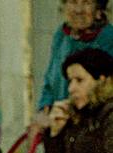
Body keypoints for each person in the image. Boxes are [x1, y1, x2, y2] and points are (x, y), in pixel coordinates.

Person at [34, 0, 113, 128]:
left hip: (93, 127)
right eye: (73, 2)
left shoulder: (108, 39)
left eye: (87, 2)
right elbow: (50, 80)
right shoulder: (61, 36)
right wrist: (43, 112)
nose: (78, 10)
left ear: (99, 11)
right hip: (59, 122)